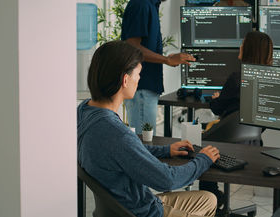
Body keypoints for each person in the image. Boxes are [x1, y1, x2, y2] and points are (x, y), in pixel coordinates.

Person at [78, 41, 221, 217]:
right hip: (143, 213)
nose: (139, 79)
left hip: (124, 206)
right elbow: (167, 179)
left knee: (209, 199)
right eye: (138, 74)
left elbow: (126, 150)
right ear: (125, 80)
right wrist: (203, 160)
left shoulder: (85, 111)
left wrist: (165, 150)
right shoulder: (116, 134)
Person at [121, 0, 195, 135]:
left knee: (146, 140)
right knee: (144, 143)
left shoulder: (150, 3)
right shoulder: (141, 5)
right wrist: (167, 60)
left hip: (146, 87)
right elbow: (132, 47)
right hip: (141, 87)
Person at [200, 31, 273, 207]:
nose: (239, 47)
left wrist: (216, 98)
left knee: (200, 147)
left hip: (225, 145)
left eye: (243, 44)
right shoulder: (269, 80)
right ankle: (216, 199)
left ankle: (212, 200)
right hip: (253, 143)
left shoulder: (237, 78)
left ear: (249, 50)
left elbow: (217, 108)